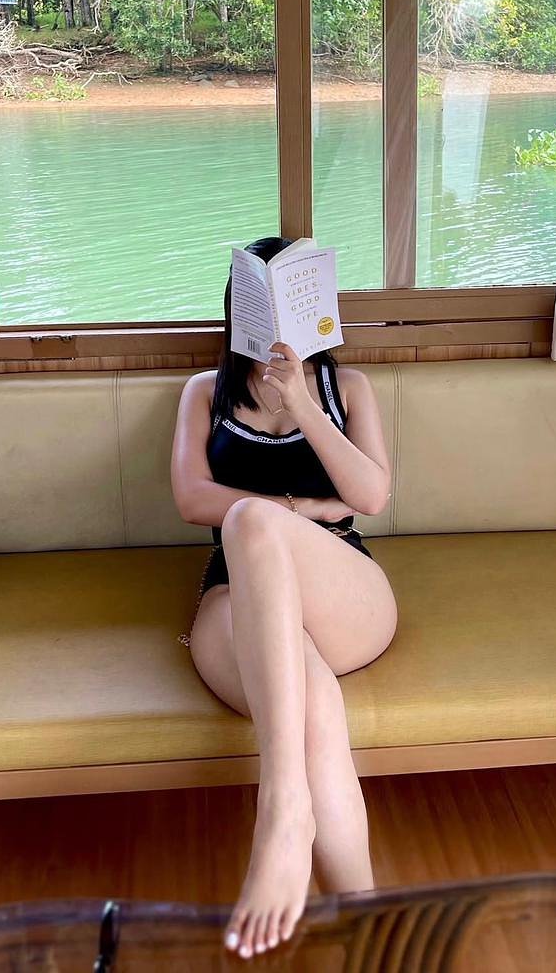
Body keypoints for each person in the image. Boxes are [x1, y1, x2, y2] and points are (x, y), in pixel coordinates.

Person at [170, 236, 398, 960]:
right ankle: (368, 924)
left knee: (247, 518)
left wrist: (301, 399)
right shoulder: (205, 393)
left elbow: (371, 496)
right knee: (315, 704)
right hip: (237, 598)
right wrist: (302, 509)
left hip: (341, 589)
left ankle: (281, 811)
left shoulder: (347, 388)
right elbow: (190, 499)